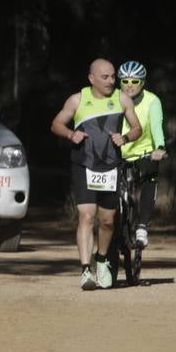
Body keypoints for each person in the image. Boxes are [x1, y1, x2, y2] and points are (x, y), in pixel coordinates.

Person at [49, 59, 141, 290]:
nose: (111, 81)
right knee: (86, 216)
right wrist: (71, 135)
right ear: (91, 78)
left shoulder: (121, 99)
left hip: (110, 166)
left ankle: (101, 260)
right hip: (84, 165)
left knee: (108, 220)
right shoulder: (77, 99)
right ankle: (85, 270)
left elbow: (137, 127)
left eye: (112, 77)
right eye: (105, 77)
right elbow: (56, 124)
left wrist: (126, 137)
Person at [117, 60, 167, 248]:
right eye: (125, 81)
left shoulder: (152, 101)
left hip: (145, 152)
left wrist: (160, 147)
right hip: (119, 154)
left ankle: (142, 227)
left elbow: (156, 126)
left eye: (135, 81)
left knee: (150, 179)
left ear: (143, 83)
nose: (130, 85)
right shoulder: (114, 99)